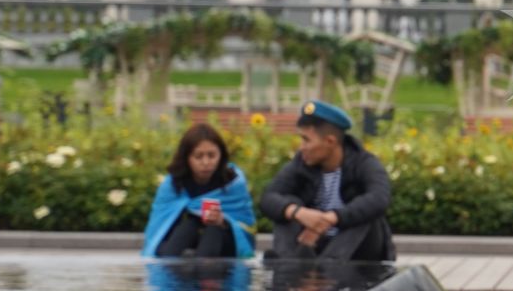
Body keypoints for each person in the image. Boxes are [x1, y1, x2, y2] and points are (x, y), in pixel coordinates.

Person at [260, 100, 396, 260]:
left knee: (365, 214)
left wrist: (333, 218)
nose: (301, 147)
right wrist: (298, 213)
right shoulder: (300, 164)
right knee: (287, 205)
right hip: (310, 245)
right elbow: (268, 198)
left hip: (356, 251)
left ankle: (328, 266)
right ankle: (288, 263)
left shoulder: (364, 162)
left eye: (306, 140)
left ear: (330, 141)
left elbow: (380, 198)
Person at [143, 124, 258, 258]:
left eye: (212, 155)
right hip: (182, 239)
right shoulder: (173, 184)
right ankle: (173, 274)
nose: (206, 162)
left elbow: (245, 228)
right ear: (187, 158)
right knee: (189, 225)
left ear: (221, 155)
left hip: (224, 243)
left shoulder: (233, 182)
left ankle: (205, 273)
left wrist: (223, 221)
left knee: (213, 229)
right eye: (198, 156)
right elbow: (159, 229)